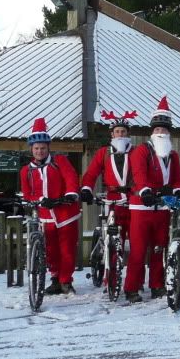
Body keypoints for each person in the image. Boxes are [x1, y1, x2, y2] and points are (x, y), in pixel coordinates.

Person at [126, 96, 180, 303]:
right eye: (158, 129)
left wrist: (177, 190)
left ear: (169, 133)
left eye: (165, 130)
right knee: (139, 249)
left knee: (159, 248)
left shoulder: (173, 155)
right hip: (142, 207)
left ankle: (157, 284)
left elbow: (177, 178)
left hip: (162, 208)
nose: (161, 133)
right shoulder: (141, 151)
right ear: (152, 131)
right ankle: (132, 287)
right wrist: (145, 191)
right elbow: (139, 174)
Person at [19, 117, 81, 295]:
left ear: (48, 148)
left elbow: (71, 178)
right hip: (45, 215)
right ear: (31, 149)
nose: (39, 151)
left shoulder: (59, 161)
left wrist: (70, 194)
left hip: (65, 213)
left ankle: (65, 281)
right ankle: (55, 279)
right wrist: (36, 199)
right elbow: (27, 192)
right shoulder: (26, 171)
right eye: (36, 148)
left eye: (43, 148)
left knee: (67, 249)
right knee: (51, 250)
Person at [80, 109, 137, 262]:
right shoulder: (103, 153)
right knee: (111, 241)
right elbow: (91, 174)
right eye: (117, 131)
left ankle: (134, 281)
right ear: (112, 134)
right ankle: (109, 280)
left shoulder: (137, 152)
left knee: (136, 242)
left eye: (123, 131)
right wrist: (86, 189)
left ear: (128, 134)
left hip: (132, 200)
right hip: (112, 200)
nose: (120, 134)